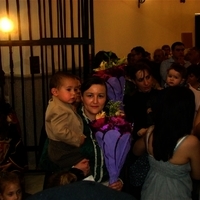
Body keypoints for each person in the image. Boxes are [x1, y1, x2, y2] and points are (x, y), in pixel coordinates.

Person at [133, 86, 200, 200]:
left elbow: (136, 151)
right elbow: (197, 175)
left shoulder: (150, 132)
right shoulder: (190, 142)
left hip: (149, 190)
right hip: (177, 193)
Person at [78, 76, 124, 191]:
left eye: (100, 96)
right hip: (78, 189)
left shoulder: (115, 122)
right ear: (81, 97)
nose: (95, 101)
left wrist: (120, 180)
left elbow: (123, 156)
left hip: (107, 188)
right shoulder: (72, 122)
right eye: (90, 95)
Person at [123, 62, 160, 199]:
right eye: (141, 80)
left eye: (148, 77)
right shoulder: (130, 100)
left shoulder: (161, 95)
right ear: (133, 81)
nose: (146, 82)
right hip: (140, 148)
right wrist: (139, 131)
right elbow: (130, 126)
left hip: (159, 146)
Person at [45, 71, 89, 175]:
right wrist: (78, 139)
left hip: (65, 146)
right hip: (63, 150)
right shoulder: (58, 109)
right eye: (69, 89)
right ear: (55, 92)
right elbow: (60, 132)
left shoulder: (61, 103)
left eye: (75, 89)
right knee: (88, 157)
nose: (74, 93)